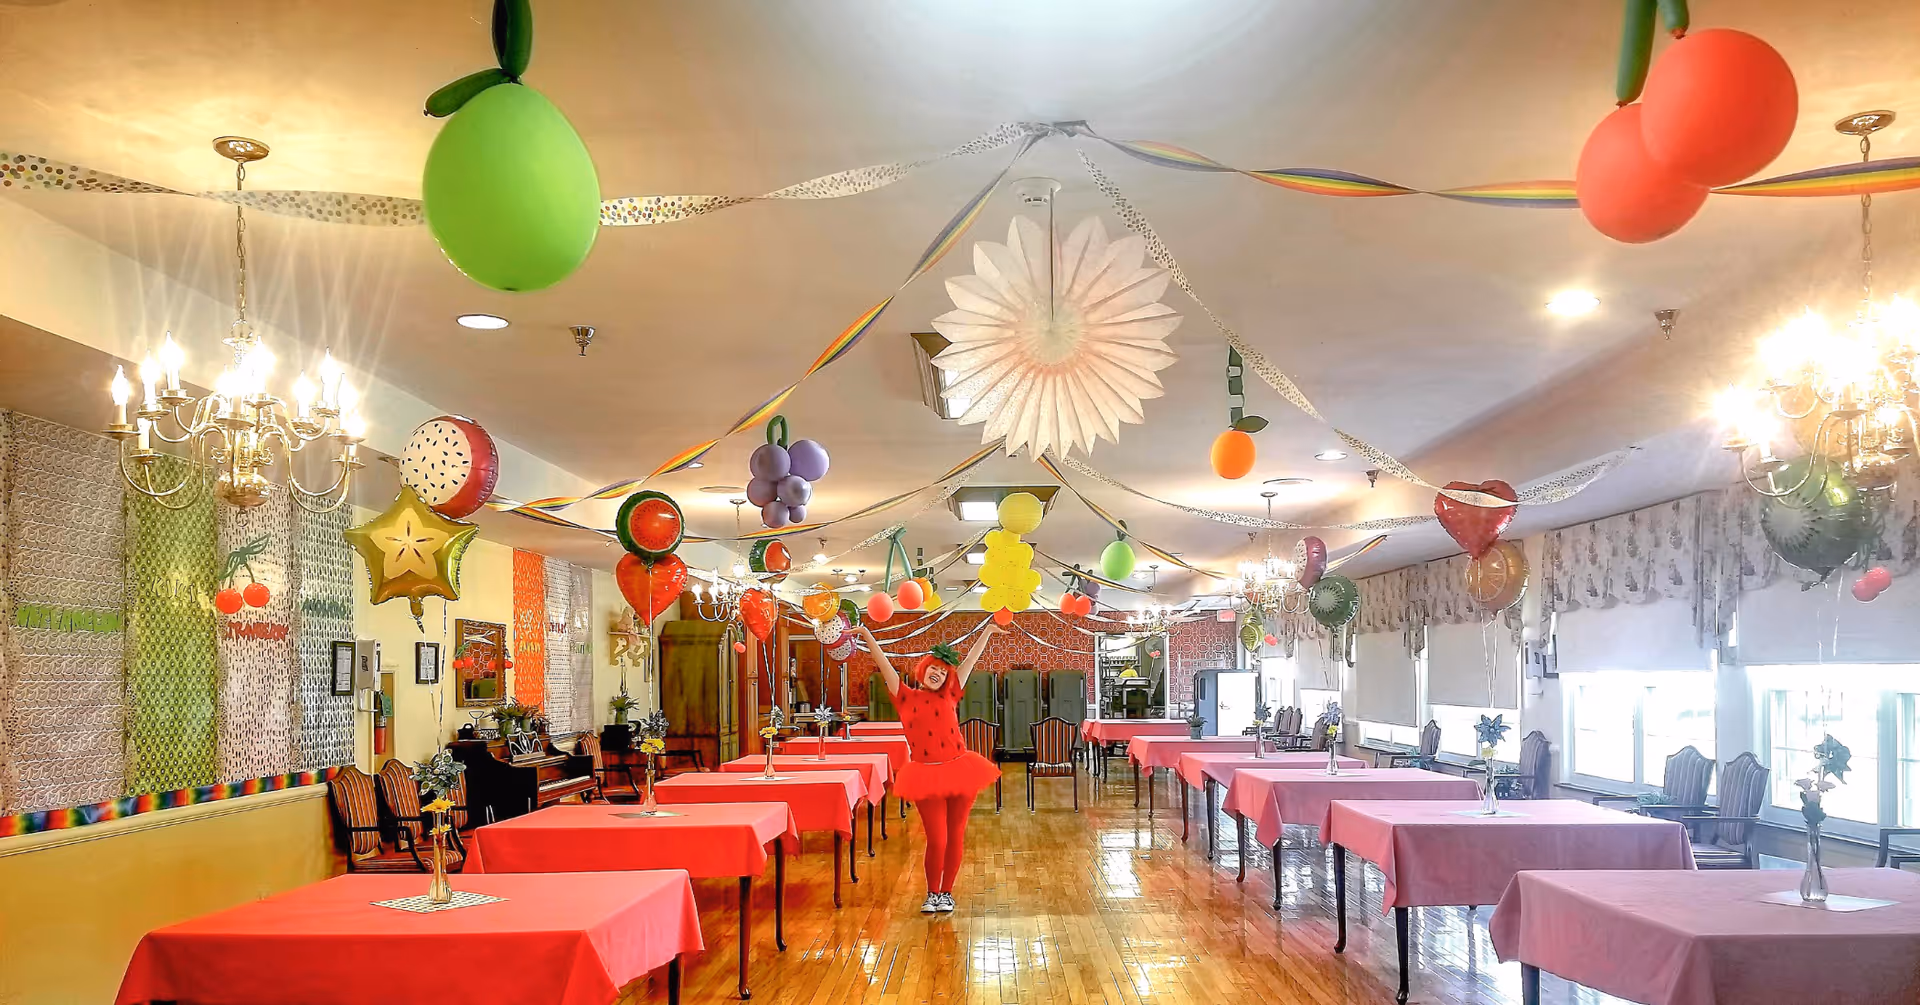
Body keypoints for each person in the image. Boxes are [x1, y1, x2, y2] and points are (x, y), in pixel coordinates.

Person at [854, 621, 1004, 914]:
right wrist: (866, 635)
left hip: (961, 769)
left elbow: (971, 660)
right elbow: (882, 662)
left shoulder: (950, 695)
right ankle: (932, 892)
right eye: (933, 668)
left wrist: (985, 631)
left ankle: (946, 893)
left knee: (955, 835)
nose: (938, 673)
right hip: (925, 773)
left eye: (943, 671)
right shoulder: (904, 697)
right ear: (923, 670)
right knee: (937, 838)